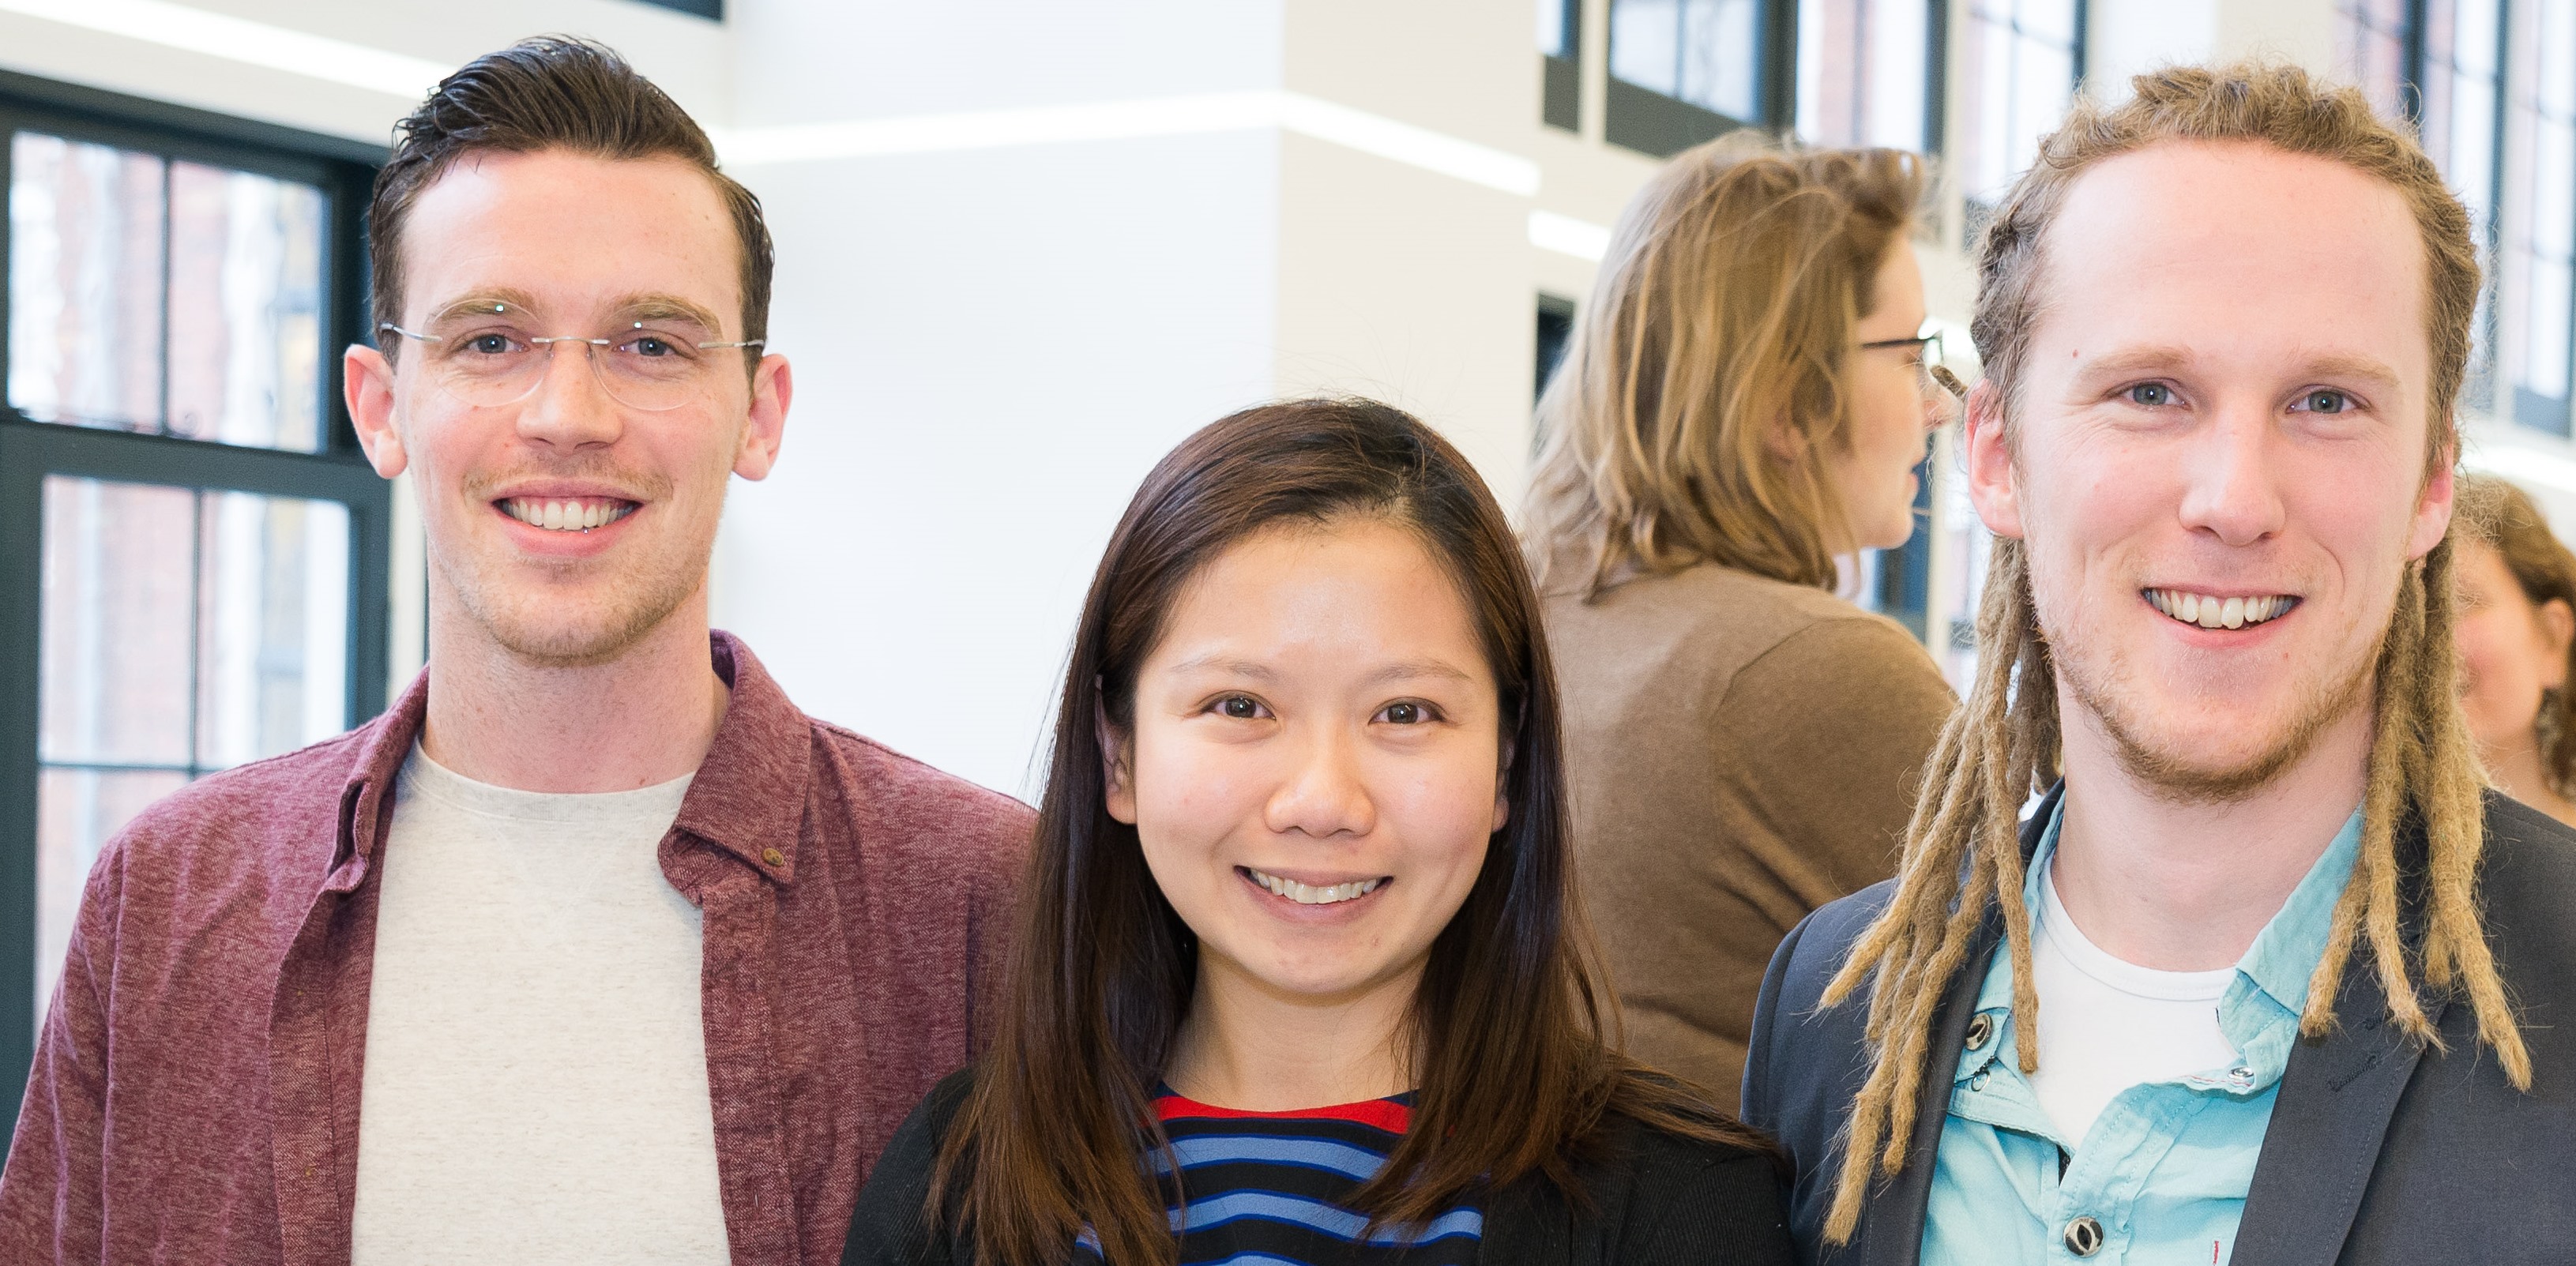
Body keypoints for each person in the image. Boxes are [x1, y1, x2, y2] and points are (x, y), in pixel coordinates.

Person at [0, 39, 1030, 1266]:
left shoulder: (986, 902)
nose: (567, 415)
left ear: (758, 413)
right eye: (491, 339)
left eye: (651, 342)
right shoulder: (170, 900)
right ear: (382, 406)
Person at [1742, 63, 2576, 1264]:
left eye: (2324, 400)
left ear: (2432, 479)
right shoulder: (1835, 1007)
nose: (2233, 498)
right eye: (2148, 391)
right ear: (1997, 455)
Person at [844, 399, 1789, 1266]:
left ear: (1506, 762)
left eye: (1405, 712)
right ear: (1119, 753)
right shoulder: (954, 1183)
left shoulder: (1684, 1207)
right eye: (1241, 703)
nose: (1322, 799)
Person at [1523, 133, 1958, 1113]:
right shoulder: (1812, 671)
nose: (1935, 404)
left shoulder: (1520, 605)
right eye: (1909, 354)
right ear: (1785, 401)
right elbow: (2032, 1026)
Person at [2452, 475, 2576, 851]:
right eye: (2403, 606)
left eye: (2461, 600)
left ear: (2551, 641)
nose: (2425, 634)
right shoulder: (2336, 877)